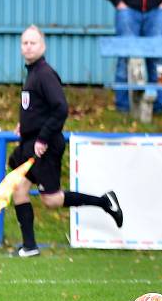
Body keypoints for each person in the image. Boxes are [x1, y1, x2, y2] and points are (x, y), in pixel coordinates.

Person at [8, 25, 123, 258]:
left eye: (33, 43)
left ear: (43, 46)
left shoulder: (45, 74)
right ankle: (29, 246)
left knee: (51, 200)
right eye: (24, 43)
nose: (28, 47)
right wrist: (25, 124)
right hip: (32, 143)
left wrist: (42, 137)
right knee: (19, 188)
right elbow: (38, 108)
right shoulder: (32, 73)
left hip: (45, 146)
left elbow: (61, 108)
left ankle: (104, 202)